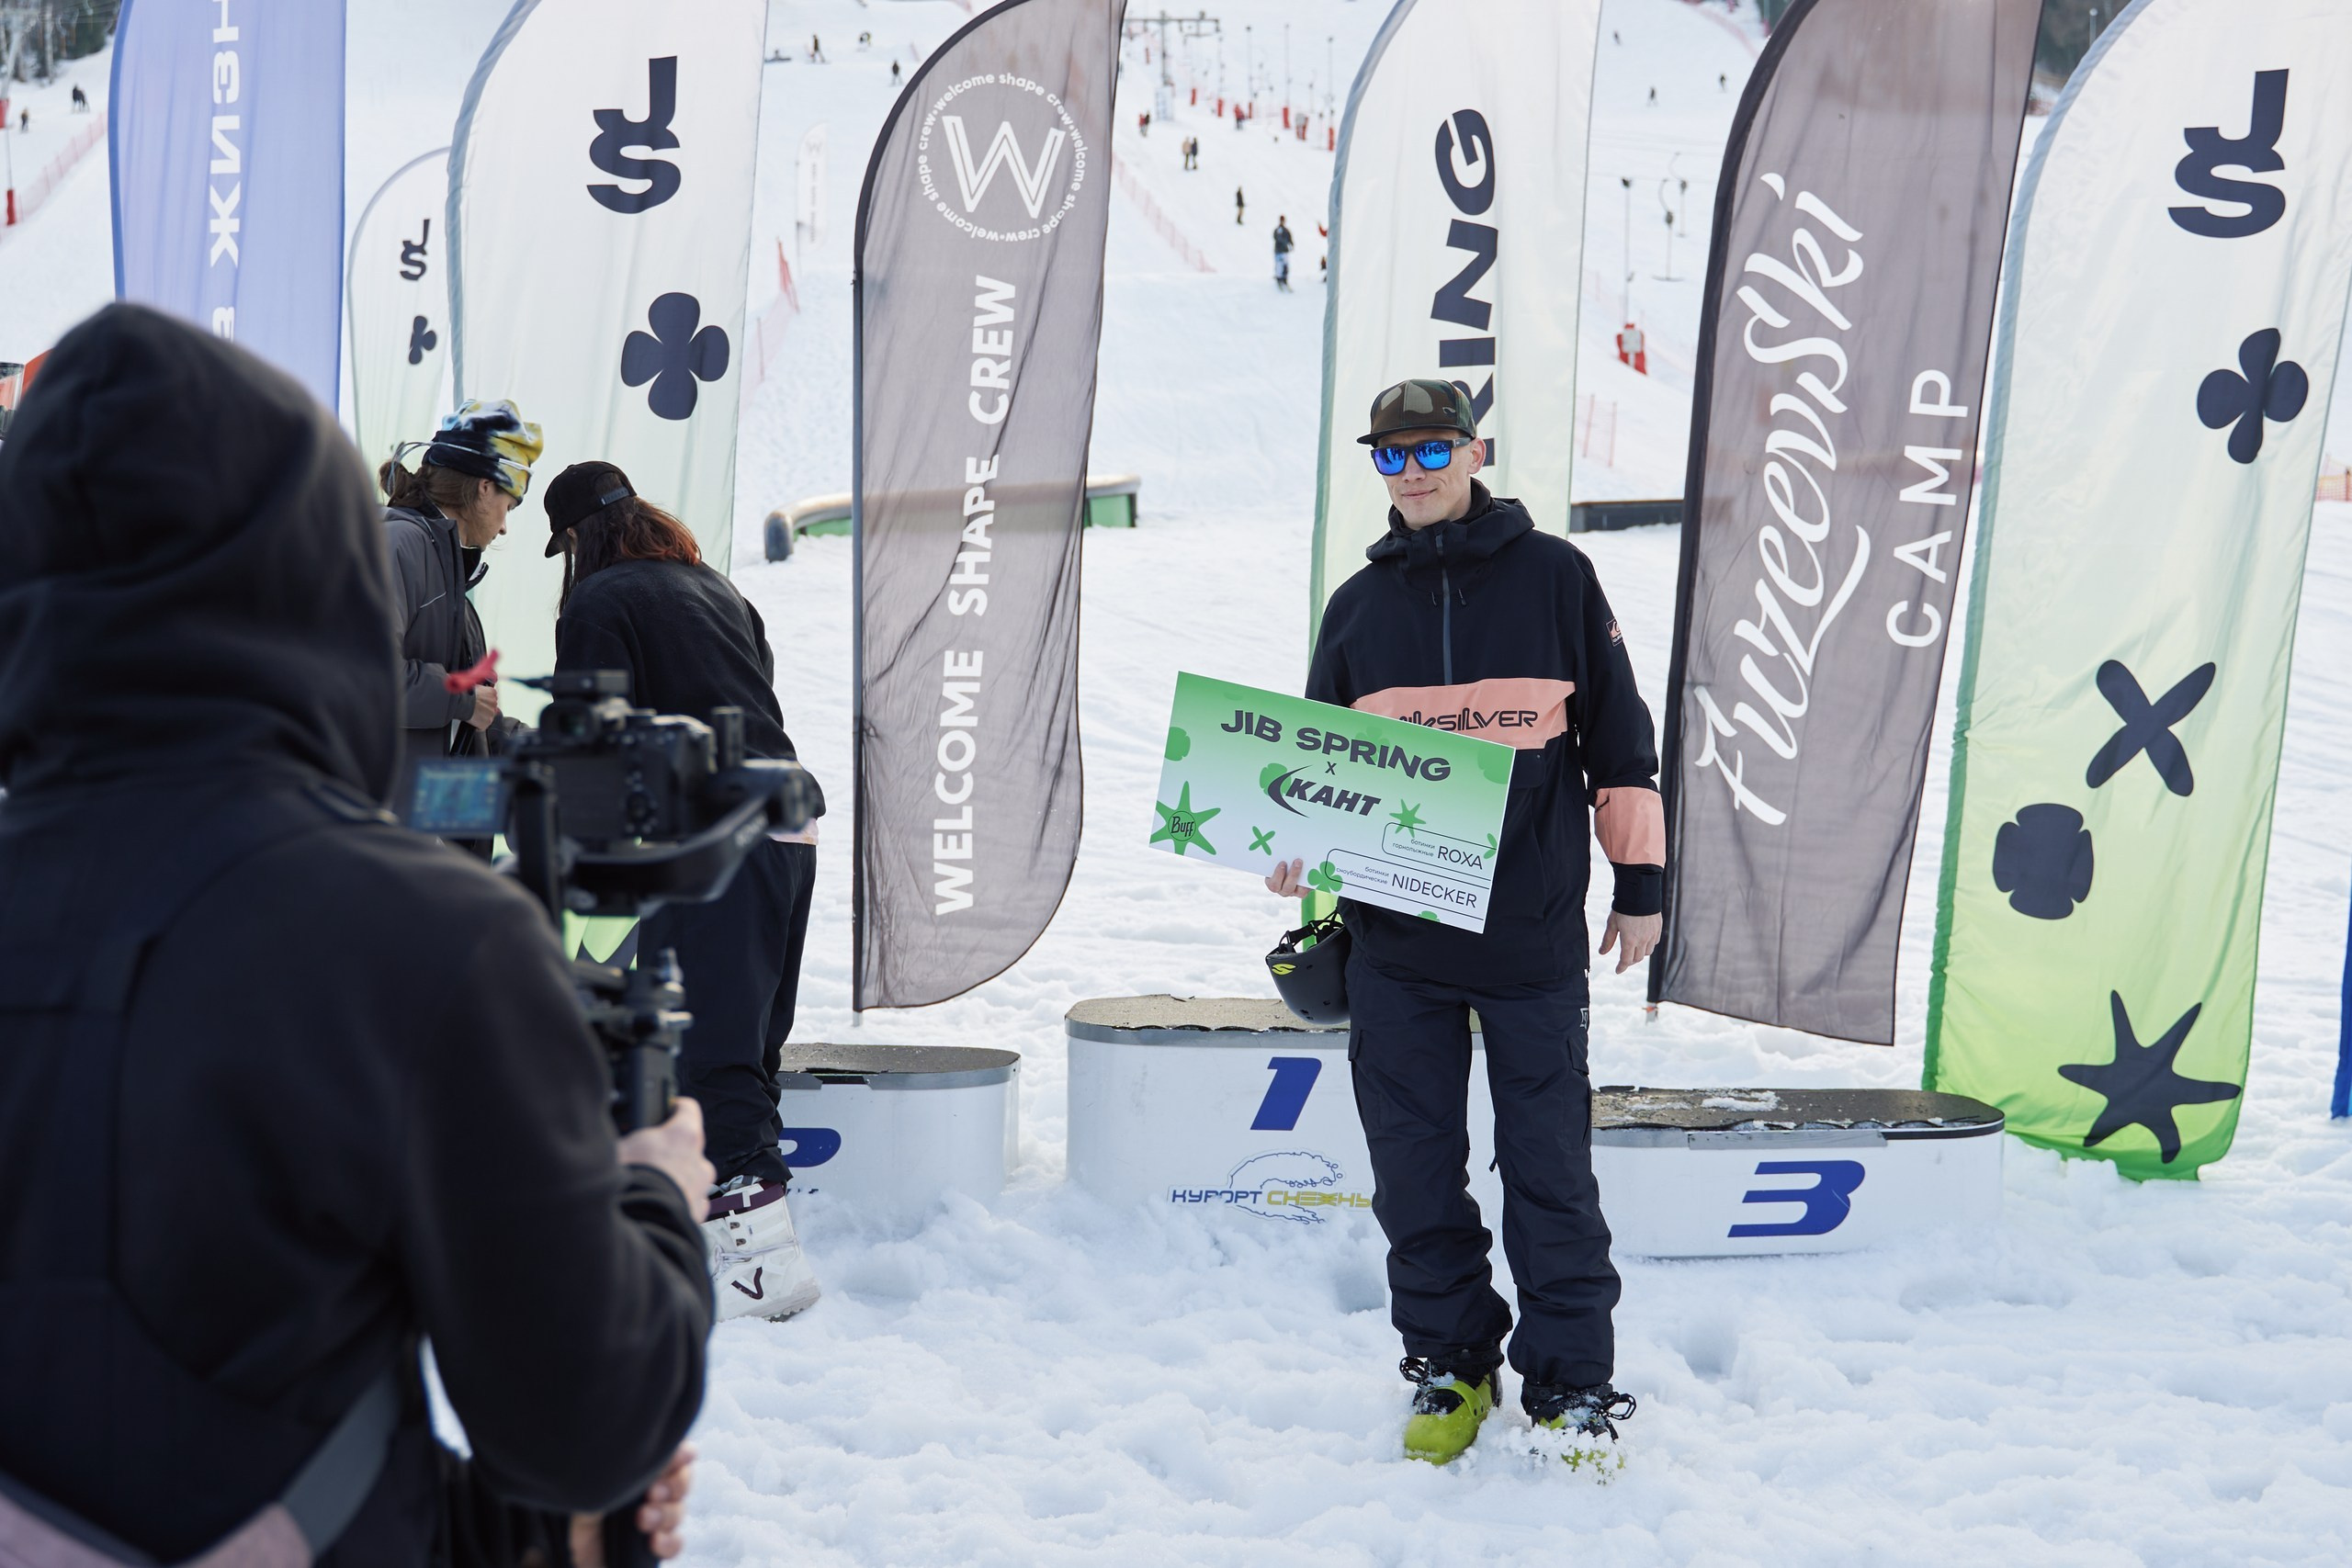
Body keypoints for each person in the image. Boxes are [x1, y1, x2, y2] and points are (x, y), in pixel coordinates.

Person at [0, 305, 713, 1562]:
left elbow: (126, 1418)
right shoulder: (427, 949)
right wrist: (654, 1192)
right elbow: (585, 1417)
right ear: (306, 572)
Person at [1267, 377, 1659, 1469]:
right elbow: (1316, 772)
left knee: (1548, 1170)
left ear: (1474, 451)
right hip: (1397, 949)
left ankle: (1572, 1383)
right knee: (1411, 1170)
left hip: (1530, 941)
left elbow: (1621, 741)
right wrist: (1291, 844)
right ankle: (1451, 1362)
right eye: (1392, 457)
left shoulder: (1555, 578)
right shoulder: (1355, 610)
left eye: (1433, 450)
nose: (1415, 472)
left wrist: (1641, 885)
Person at [546, 462, 825, 1324]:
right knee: (752, 1037)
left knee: (710, 1046)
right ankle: (735, 1227)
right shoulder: (718, 589)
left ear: (579, 541)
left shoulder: (596, 605)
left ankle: (760, 1270)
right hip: (787, 820)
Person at [380, 400, 543, 787]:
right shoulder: (398, 543)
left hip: (438, 819)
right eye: (509, 506)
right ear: (485, 488)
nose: (504, 528)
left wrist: (539, 748)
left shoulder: (448, 570)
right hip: (392, 826)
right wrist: (462, 698)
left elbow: (468, 726)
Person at [1272, 215, 1294, 291]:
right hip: (1278, 251)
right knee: (1279, 266)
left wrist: (1291, 244)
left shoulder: (1286, 230)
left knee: (1285, 265)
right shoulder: (1278, 230)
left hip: (1285, 251)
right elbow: (1276, 237)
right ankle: (1279, 278)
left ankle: (1284, 279)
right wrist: (1284, 242)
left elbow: (1290, 238)